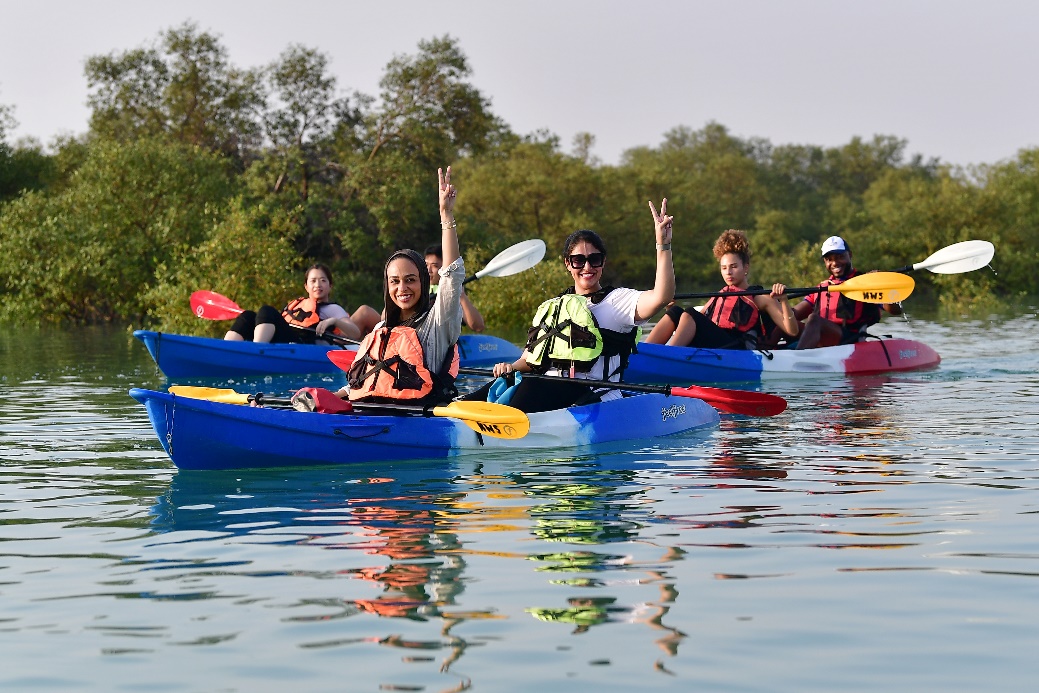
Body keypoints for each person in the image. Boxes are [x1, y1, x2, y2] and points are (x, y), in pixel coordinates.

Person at [466, 199, 675, 413]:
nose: (587, 267)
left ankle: (498, 423)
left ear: (603, 262)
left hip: (593, 395)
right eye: (578, 260)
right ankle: (455, 412)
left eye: (594, 259)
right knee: (484, 394)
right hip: (545, 390)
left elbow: (661, 296)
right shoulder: (553, 306)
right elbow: (529, 361)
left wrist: (663, 246)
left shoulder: (618, 301)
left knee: (532, 385)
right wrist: (510, 368)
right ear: (568, 263)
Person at [337, 167, 465, 406]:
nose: (402, 288)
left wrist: (446, 216)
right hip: (371, 411)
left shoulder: (439, 321)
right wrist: (328, 400)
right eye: (394, 282)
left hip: (415, 417)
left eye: (410, 279)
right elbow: (362, 380)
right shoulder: (381, 328)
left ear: (423, 282)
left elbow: (451, 276)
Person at [643, 229, 798, 349]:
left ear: (746, 268)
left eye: (734, 267)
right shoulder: (720, 296)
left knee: (690, 312)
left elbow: (792, 331)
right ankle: (642, 352)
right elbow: (695, 320)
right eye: (724, 268)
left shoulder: (760, 297)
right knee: (676, 312)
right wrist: (670, 306)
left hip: (735, 349)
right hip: (715, 344)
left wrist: (783, 301)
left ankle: (669, 357)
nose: (728, 272)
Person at [791, 235, 903, 349]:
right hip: (823, 339)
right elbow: (793, 315)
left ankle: (796, 359)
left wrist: (882, 287)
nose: (834, 263)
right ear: (825, 261)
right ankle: (773, 350)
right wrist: (776, 304)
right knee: (784, 321)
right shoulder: (822, 287)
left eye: (839, 257)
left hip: (849, 341)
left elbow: (895, 310)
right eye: (829, 259)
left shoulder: (864, 283)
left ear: (849, 255)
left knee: (814, 319)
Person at [223, 264, 380, 344]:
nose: (317, 285)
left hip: (302, 345)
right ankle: (228, 350)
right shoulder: (297, 305)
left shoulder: (333, 309)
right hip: (284, 339)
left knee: (267, 310)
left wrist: (333, 321)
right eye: (313, 281)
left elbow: (354, 332)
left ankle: (257, 353)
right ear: (306, 286)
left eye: (323, 281)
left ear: (330, 286)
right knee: (248, 315)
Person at [425, 243, 485, 332]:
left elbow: (478, 327)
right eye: (426, 265)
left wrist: (461, 295)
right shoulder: (416, 290)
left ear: (445, 268)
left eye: (435, 266)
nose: (428, 270)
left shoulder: (454, 294)